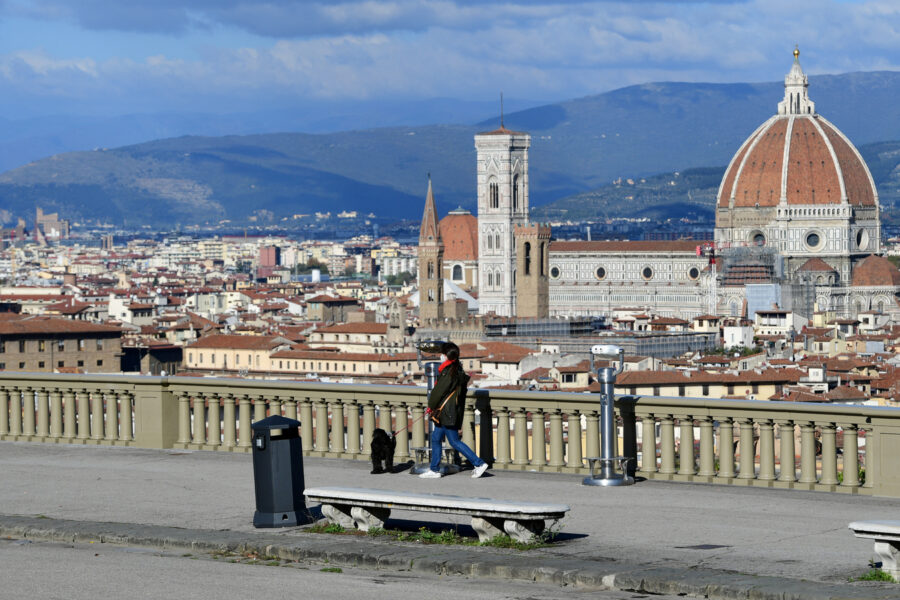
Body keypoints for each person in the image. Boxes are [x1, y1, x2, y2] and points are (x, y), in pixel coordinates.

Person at [420, 342, 489, 479]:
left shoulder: (448, 372)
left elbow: (438, 392)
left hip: (446, 412)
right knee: (436, 438)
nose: (440, 356)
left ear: (446, 356)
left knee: (454, 441)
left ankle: (479, 463)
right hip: (449, 411)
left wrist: (431, 405)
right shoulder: (457, 369)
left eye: (442, 354)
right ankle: (434, 469)